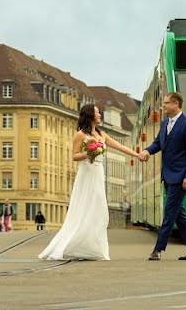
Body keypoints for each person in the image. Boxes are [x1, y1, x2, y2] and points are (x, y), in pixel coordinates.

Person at [39, 104, 143, 260]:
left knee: (98, 209)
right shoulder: (80, 135)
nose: (100, 115)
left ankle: (92, 248)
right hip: (86, 173)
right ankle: (72, 244)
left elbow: (120, 146)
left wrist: (137, 155)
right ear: (90, 115)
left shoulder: (101, 134)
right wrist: (88, 153)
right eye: (97, 113)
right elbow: (74, 156)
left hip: (98, 172)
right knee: (84, 208)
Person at [139, 92, 186, 261]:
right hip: (167, 175)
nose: (163, 106)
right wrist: (147, 151)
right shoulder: (164, 123)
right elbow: (158, 143)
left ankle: (157, 250)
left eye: (166, 103)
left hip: (181, 177)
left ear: (176, 104)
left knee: (169, 213)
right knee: (178, 213)